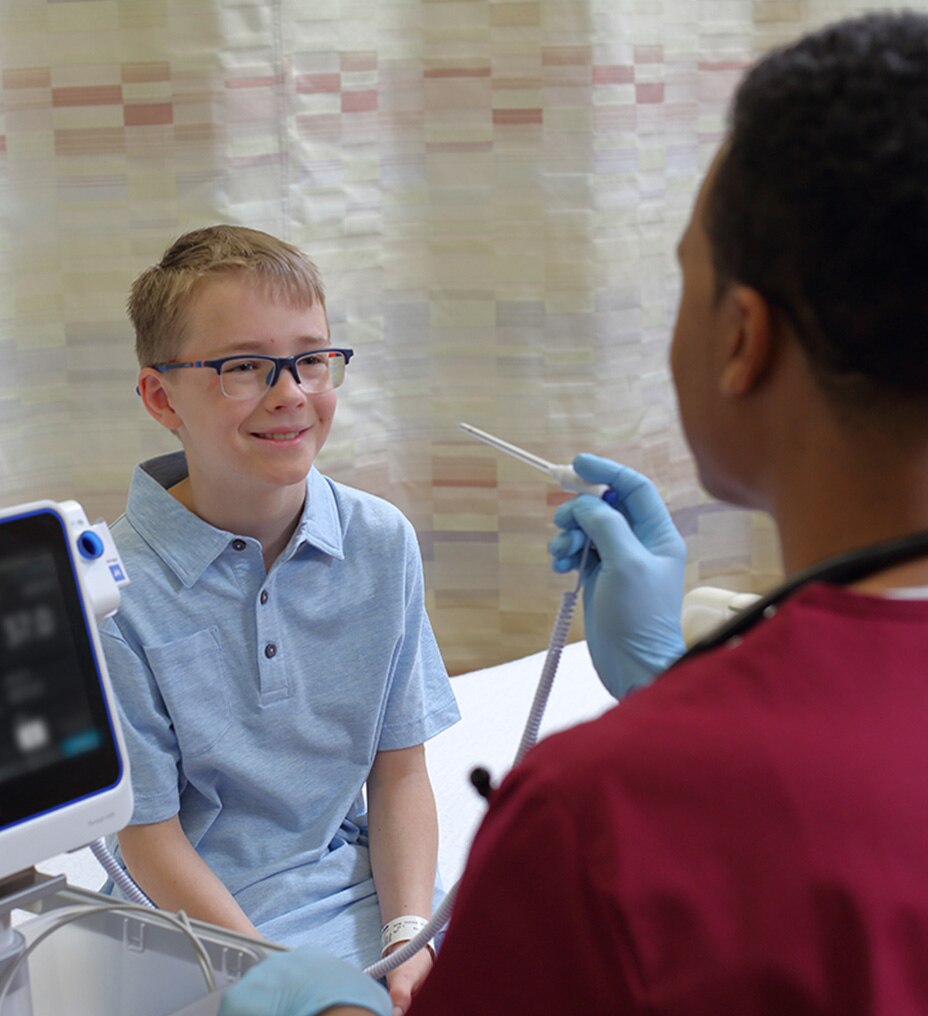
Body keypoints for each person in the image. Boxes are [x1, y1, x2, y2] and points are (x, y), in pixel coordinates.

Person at [219, 10, 928, 1014]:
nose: (289, 391)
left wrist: (324, 1007)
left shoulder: (595, 822)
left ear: (742, 338)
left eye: (683, 278)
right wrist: (675, 686)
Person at [99, 225, 460, 1014]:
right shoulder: (113, 593)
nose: (291, 391)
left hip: (361, 889)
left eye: (311, 358)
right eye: (244, 366)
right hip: (196, 929)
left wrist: (410, 932)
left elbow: (399, 772)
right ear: (161, 397)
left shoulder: (379, 541)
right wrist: (286, 986)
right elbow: (149, 840)